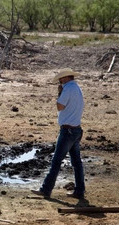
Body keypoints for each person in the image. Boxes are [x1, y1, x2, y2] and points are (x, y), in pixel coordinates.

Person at [31, 68, 85, 199]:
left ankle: (46, 190)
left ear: (66, 78)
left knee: (56, 161)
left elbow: (60, 106)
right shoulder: (77, 88)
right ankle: (79, 191)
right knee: (77, 162)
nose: (59, 82)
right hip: (76, 129)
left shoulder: (67, 89)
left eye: (61, 79)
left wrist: (60, 94)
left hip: (68, 131)